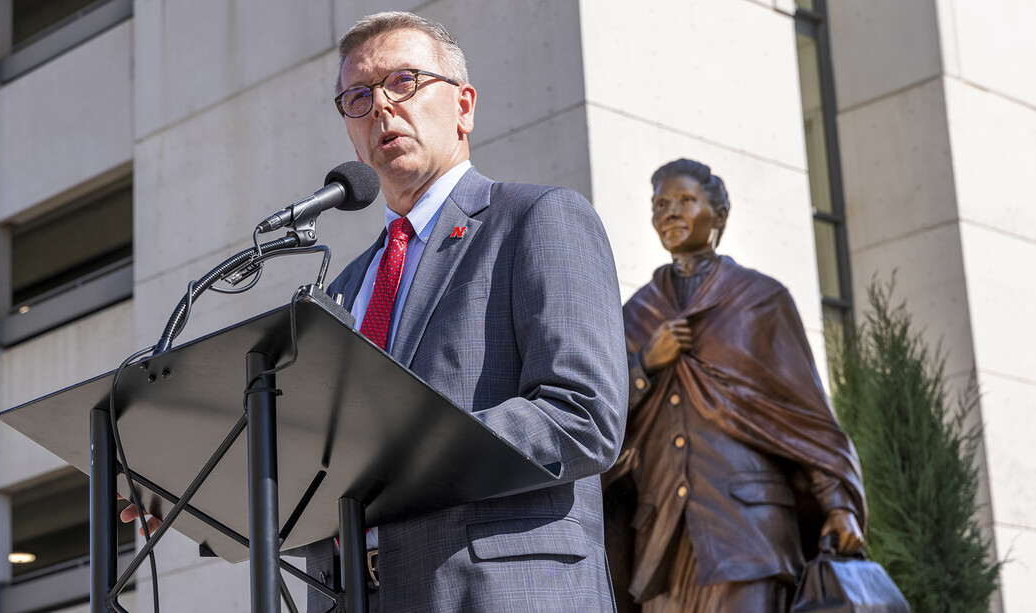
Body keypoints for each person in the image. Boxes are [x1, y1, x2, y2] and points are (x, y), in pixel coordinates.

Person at [306, 11, 626, 612]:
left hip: (495, 591)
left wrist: (415, 449)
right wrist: (200, 493)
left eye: (403, 81)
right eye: (357, 96)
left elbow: (585, 416)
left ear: (463, 106)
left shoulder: (538, 220)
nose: (380, 107)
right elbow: (323, 463)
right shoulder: (344, 291)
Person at [603, 158, 866, 612]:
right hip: (662, 539)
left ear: (718, 215)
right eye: (660, 203)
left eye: (685, 200)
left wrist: (838, 503)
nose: (670, 212)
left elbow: (803, 416)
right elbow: (602, 415)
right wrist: (646, 362)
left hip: (748, 531)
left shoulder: (760, 300)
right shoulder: (637, 314)